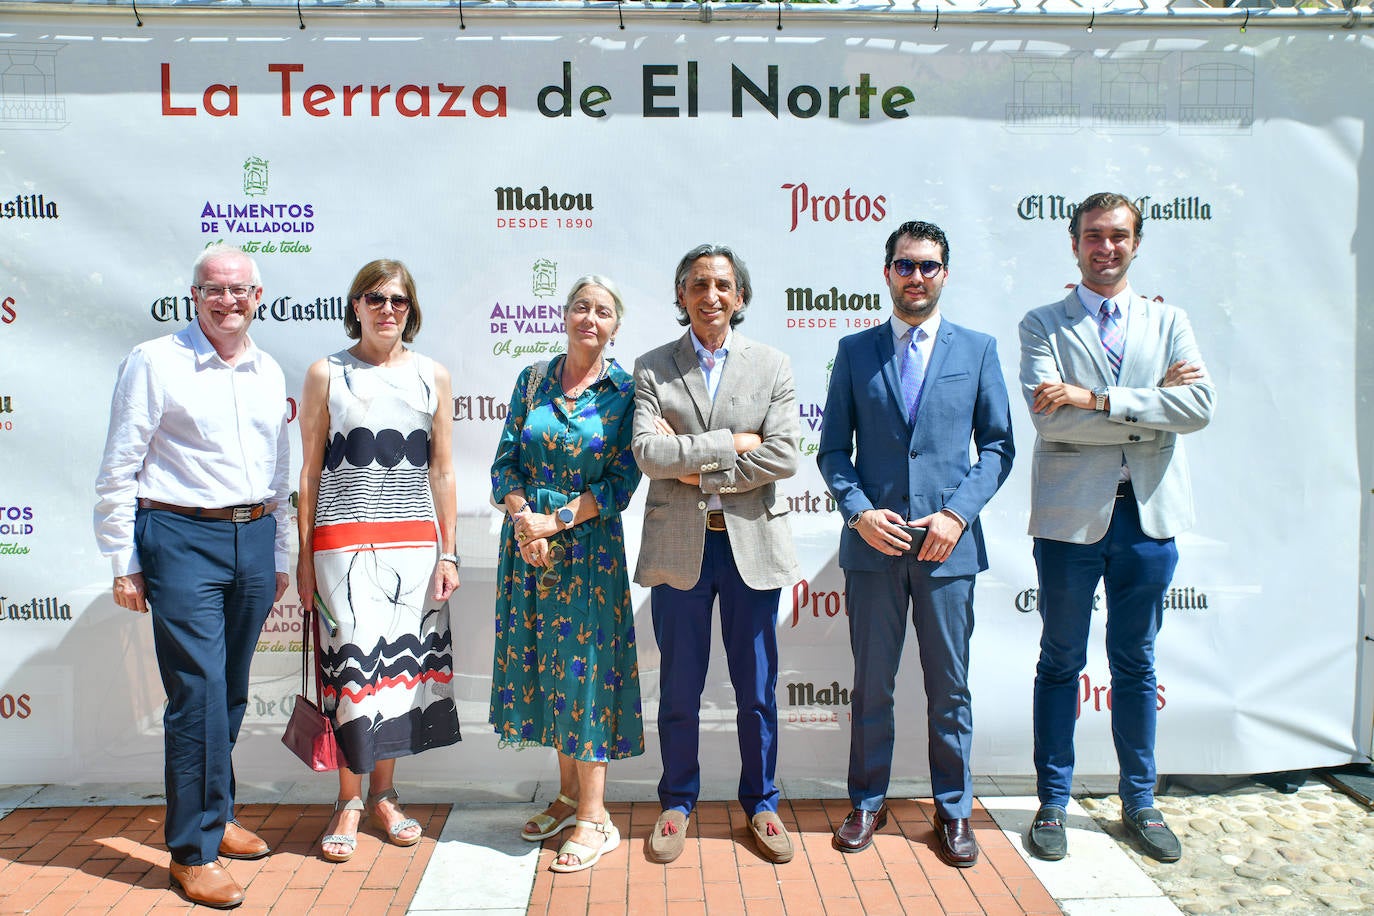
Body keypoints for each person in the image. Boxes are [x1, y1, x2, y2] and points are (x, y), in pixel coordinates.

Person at [1019, 192, 1215, 864]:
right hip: (1071, 521)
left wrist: (1095, 398)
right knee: (1061, 662)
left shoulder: (1171, 322)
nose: (1106, 247)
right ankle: (1053, 801)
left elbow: (1196, 407)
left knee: (1136, 662)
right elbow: (1050, 420)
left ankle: (1141, 801)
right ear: (1074, 244)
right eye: (1094, 236)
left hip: (1148, 517)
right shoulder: (1041, 323)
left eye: (1119, 236)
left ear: (1137, 243)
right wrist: (1149, 403)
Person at [93, 243, 290, 909]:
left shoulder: (268, 369)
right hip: (180, 536)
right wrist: (124, 560)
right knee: (197, 694)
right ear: (195, 295)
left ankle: (219, 812)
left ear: (258, 297)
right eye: (215, 289)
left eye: (240, 290)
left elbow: (279, 470)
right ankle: (192, 852)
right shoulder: (155, 361)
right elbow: (121, 464)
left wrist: (281, 553)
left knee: (229, 690)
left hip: (254, 536)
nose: (228, 301)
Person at [817, 221, 1014, 867]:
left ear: (945, 274)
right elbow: (831, 453)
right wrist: (858, 513)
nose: (917, 277)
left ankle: (953, 810)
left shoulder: (978, 350)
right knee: (872, 685)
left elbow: (998, 446)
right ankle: (866, 801)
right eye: (905, 265)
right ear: (887, 273)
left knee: (950, 688)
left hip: (946, 549)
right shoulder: (854, 352)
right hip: (874, 549)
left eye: (929, 266)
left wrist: (958, 514)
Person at [632, 244, 801, 866]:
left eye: (723, 285)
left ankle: (761, 802)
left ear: (740, 296)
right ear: (682, 296)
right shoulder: (652, 368)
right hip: (680, 550)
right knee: (679, 686)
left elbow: (783, 455)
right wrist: (734, 443)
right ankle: (676, 801)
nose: (711, 295)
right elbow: (649, 454)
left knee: (756, 686)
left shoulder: (773, 364)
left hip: (750, 549)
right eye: (698, 284)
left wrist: (698, 463)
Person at [296, 259, 461, 864]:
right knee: (352, 677)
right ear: (356, 306)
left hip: (414, 549)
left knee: (398, 676)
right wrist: (306, 554)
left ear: (410, 309)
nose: (386, 308)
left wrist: (448, 551)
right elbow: (310, 471)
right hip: (342, 547)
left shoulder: (432, 376)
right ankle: (347, 799)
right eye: (374, 298)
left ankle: (386, 794)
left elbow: (442, 468)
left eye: (397, 299)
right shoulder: (326, 374)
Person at [489, 275, 643, 874]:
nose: (590, 318)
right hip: (527, 545)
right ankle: (567, 794)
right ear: (564, 314)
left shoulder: (625, 392)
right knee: (546, 666)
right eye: (581, 306)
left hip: (587, 552)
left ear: (615, 325)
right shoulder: (532, 379)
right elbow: (505, 463)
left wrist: (554, 522)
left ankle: (594, 817)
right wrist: (526, 521)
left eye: (603, 311)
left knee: (585, 674)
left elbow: (621, 482)